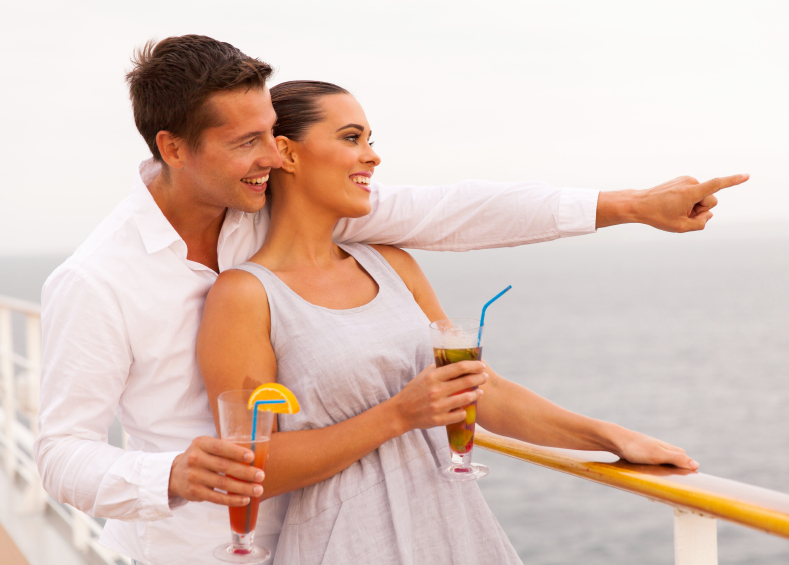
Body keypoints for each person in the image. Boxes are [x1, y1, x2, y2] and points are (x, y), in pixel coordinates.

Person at [33, 35, 746, 565]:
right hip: (200, 551)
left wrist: (632, 206)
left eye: (274, 137)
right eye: (249, 141)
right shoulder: (101, 280)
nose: (272, 155)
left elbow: (460, 210)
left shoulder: (285, 209)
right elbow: (62, 452)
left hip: (375, 529)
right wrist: (167, 471)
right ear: (174, 147)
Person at [197, 80, 701, 564]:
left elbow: (479, 392)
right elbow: (252, 468)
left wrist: (610, 437)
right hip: (345, 545)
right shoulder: (245, 294)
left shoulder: (390, 264)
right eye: (352, 138)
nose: (373, 155)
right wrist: (399, 414)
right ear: (286, 153)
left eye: (371, 140)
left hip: (454, 532)